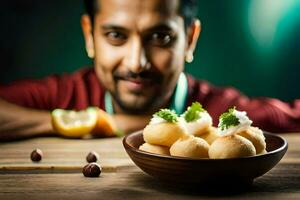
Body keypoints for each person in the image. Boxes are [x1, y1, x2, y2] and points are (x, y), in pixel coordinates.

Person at [0, 0, 299, 141]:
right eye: (116, 36)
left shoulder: (227, 115)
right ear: (89, 36)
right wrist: (85, 122)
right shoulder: (66, 94)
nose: (136, 63)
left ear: (190, 40)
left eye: (160, 38)